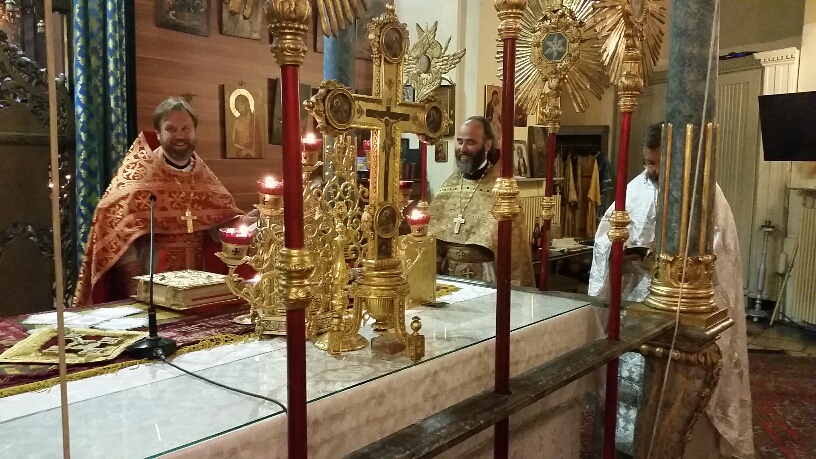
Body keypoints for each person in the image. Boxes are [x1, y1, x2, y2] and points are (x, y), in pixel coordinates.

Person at [588, 123, 753, 458]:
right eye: (647, 162)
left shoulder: (707, 196)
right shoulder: (635, 189)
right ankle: (623, 446)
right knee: (630, 382)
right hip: (637, 301)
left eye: (658, 164)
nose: (651, 170)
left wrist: (667, 262)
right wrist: (620, 252)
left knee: (679, 388)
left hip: (685, 305)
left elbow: (720, 257)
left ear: (678, 161)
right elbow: (604, 238)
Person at [73, 97, 254, 307]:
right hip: (153, 281)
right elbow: (118, 230)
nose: (180, 135)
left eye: (186, 128)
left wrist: (240, 224)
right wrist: (135, 283)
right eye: (171, 129)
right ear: (158, 134)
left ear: (194, 132)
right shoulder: (139, 177)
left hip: (199, 281)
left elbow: (216, 227)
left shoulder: (204, 178)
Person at [428, 116, 534, 287]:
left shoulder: (502, 189)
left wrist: (514, 289)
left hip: (486, 277)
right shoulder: (450, 184)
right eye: (460, 141)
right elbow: (432, 238)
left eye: (470, 142)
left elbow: (515, 252)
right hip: (448, 278)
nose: (463, 149)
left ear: (487, 145)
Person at [231, 93, 257, 158]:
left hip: (253, 151)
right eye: (237, 106)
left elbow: (258, 140)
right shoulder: (236, 122)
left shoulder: (253, 121)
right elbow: (233, 142)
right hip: (241, 151)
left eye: (241, 105)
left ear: (246, 104)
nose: (239, 108)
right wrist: (246, 149)